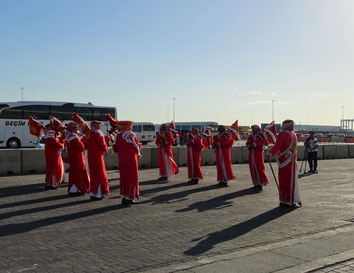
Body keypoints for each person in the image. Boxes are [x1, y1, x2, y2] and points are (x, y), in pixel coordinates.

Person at [268, 119, 301, 207]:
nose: (293, 126)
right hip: (285, 161)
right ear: (287, 126)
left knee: (292, 181)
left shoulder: (293, 134)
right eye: (291, 125)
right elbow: (277, 146)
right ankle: (284, 200)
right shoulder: (282, 134)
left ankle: (291, 199)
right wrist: (270, 153)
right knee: (284, 181)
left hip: (292, 161)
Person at [115, 121, 141, 205]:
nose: (132, 127)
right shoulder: (131, 135)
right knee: (132, 178)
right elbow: (137, 146)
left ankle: (124, 196)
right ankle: (129, 198)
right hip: (131, 159)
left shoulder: (118, 136)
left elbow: (116, 147)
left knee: (124, 178)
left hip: (122, 159)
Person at [85, 121, 109, 201]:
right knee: (100, 174)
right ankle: (98, 194)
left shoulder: (89, 134)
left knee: (93, 175)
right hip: (98, 156)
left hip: (91, 156)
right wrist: (106, 149)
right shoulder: (98, 134)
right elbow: (101, 145)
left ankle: (93, 193)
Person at [65, 122, 90, 195]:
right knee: (79, 173)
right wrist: (82, 142)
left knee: (73, 173)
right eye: (75, 127)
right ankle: (79, 188)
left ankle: (73, 189)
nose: (77, 129)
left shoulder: (68, 136)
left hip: (72, 157)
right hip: (77, 157)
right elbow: (81, 147)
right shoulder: (74, 137)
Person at [246, 124, 269, 191]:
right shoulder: (251, 135)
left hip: (258, 154)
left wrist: (253, 144)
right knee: (253, 169)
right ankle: (256, 183)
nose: (253, 130)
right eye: (252, 128)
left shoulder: (261, 135)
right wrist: (249, 145)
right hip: (252, 154)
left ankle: (260, 184)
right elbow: (248, 142)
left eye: (254, 128)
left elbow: (263, 143)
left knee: (259, 168)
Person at [44, 124, 64, 190]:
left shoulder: (47, 134)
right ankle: (52, 184)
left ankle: (48, 183)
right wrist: (62, 145)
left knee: (49, 169)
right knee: (54, 169)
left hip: (49, 154)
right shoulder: (51, 134)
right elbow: (56, 143)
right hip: (53, 154)